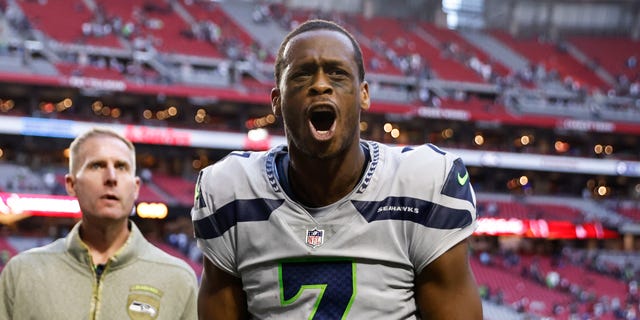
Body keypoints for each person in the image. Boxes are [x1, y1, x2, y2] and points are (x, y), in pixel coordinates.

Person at [192, 19, 482, 319]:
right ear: (277, 101)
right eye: (302, 75)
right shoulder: (231, 190)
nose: (320, 84)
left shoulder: (422, 184)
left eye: (338, 74)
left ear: (364, 94)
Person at [0, 128, 198, 320]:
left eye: (121, 167)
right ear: (71, 184)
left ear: (136, 187)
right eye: (97, 166)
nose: (111, 178)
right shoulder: (22, 272)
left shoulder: (178, 278)